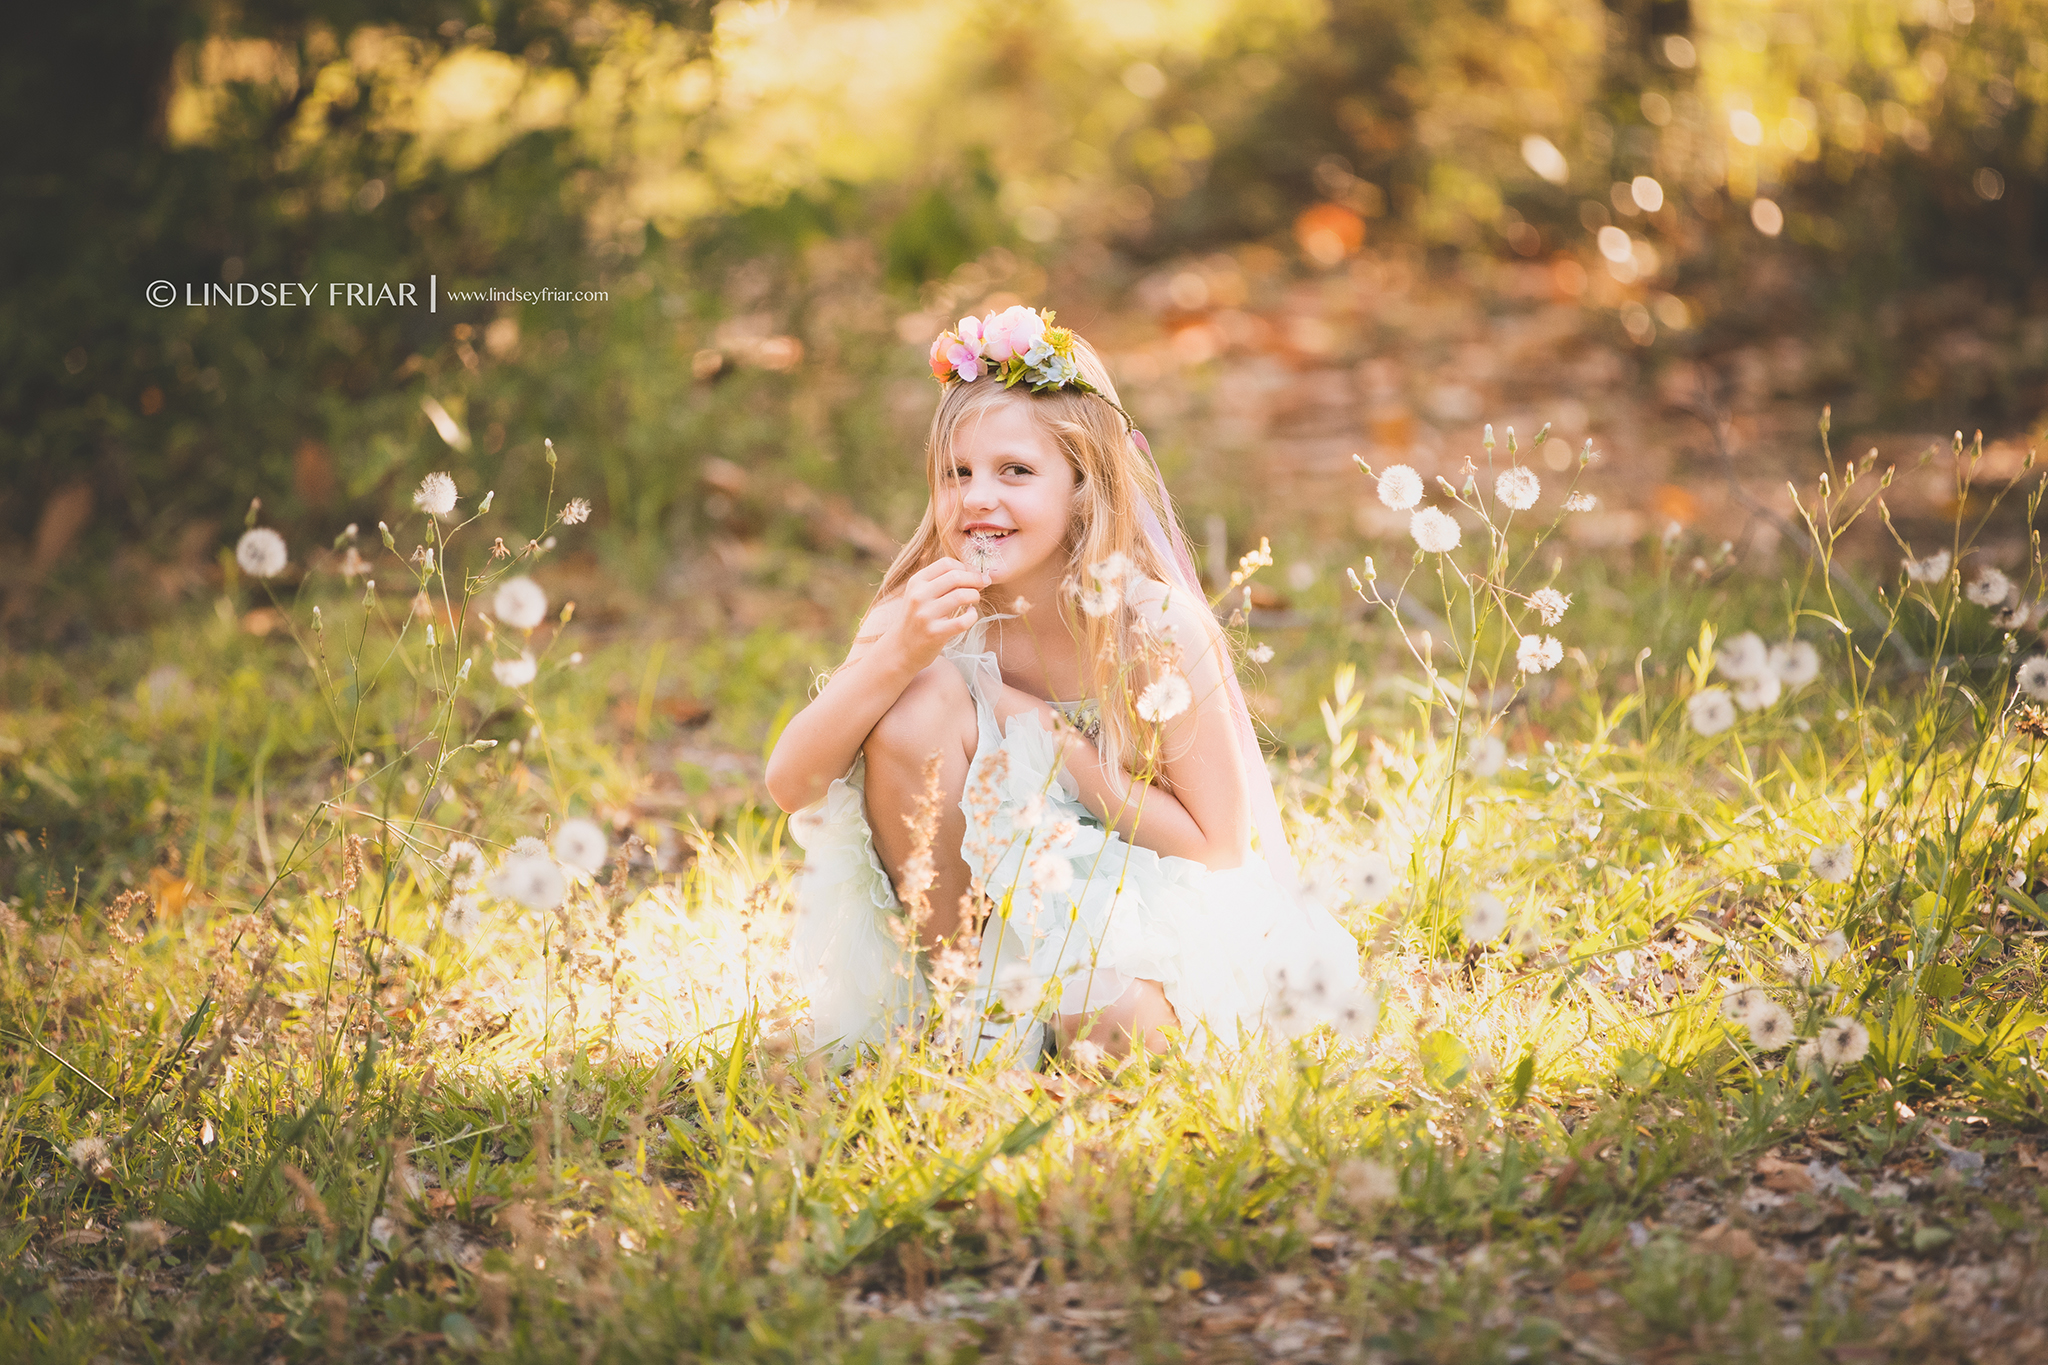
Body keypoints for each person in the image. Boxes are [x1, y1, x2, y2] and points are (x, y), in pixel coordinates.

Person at [765, 305, 1363, 1066]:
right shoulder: (920, 610)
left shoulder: (1152, 628)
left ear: (1082, 485)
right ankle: (965, 1007)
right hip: (961, 918)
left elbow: (1218, 848)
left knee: (1109, 1026)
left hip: (1128, 899)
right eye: (958, 473)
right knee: (916, 701)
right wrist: (897, 655)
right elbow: (790, 783)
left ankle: (1073, 1017)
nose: (978, 496)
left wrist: (1053, 741)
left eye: (1014, 470)